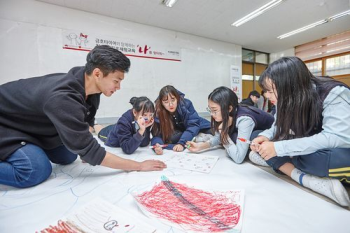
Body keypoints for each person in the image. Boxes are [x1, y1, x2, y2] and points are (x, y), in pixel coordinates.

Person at [0, 45, 166, 188]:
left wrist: (84, 148)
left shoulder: (91, 90)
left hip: (32, 124)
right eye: (116, 81)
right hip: (7, 124)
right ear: (97, 73)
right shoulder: (63, 98)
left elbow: (85, 127)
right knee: (35, 170)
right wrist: (138, 166)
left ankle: (34, 147)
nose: (119, 87)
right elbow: (91, 151)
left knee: (69, 155)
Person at [249, 56, 350, 206]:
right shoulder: (286, 98)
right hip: (307, 147)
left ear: (289, 85)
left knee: (331, 158)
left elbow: (337, 137)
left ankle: (278, 162)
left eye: (270, 90)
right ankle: (305, 178)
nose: (266, 95)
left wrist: (279, 148)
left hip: (335, 149)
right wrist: (265, 136)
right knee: (256, 136)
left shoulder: (334, 92)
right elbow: (278, 126)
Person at [186, 86, 274, 163]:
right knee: (233, 137)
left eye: (215, 110)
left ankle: (270, 159)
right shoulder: (224, 114)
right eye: (210, 110)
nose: (212, 114)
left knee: (244, 137)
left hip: (273, 137)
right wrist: (200, 146)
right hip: (253, 135)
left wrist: (224, 134)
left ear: (229, 108)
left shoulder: (244, 120)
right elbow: (218, 138)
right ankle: (249, 151)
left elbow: (238, 158)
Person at [151, 85, 211, 155]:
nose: (170, 104)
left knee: (215, 133)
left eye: (173, 100)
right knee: (172, 138)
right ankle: (194, 139)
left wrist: (181, 143)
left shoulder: (186, 104)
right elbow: (157, 134)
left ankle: (194, 138)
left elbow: (193, 125)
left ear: (177, 98)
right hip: (179, 132)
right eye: (166, 102)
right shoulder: (159, 112)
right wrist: (157, 145)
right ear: (162, 103)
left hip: (198, 126)